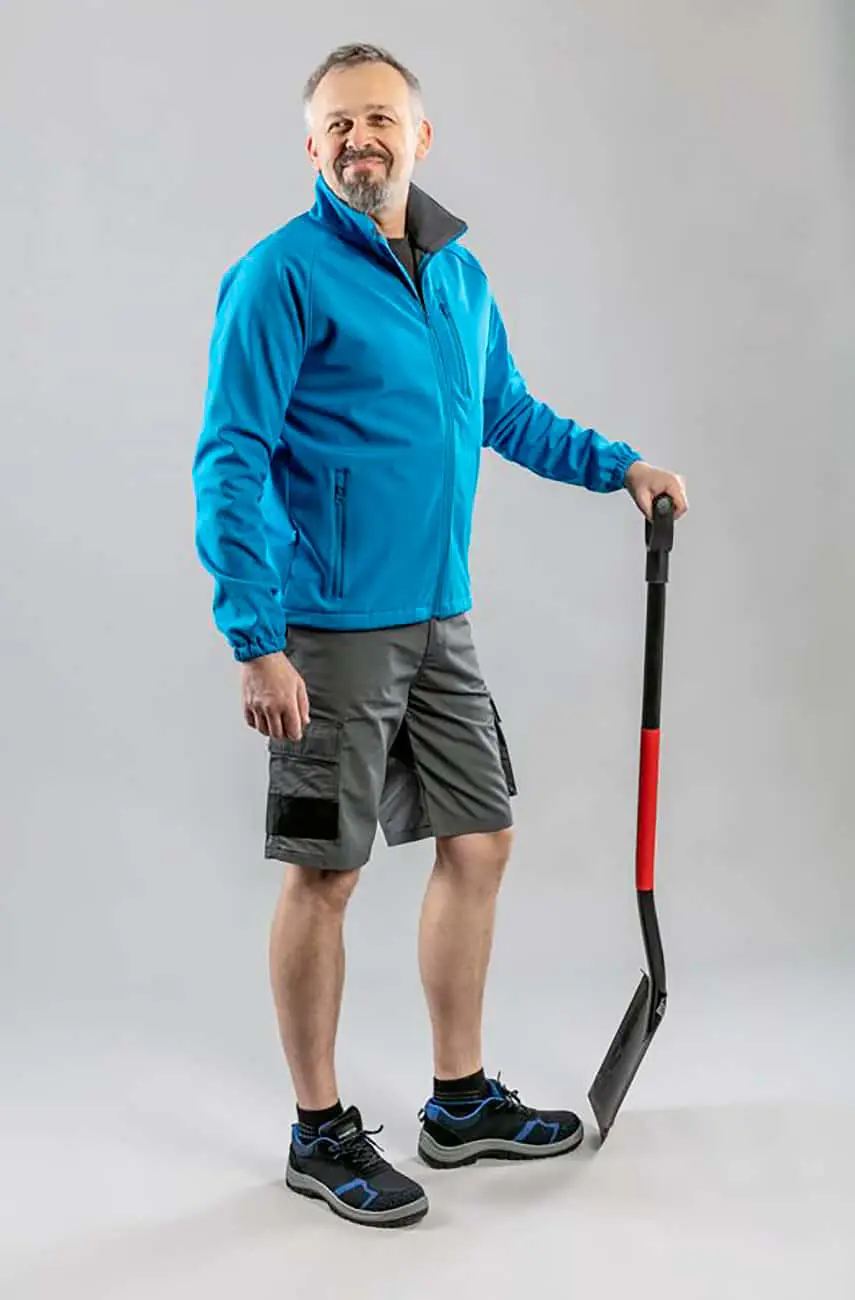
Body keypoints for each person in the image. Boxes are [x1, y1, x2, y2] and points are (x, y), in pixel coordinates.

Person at [191, 42, 688, 1229]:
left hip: (439, 617)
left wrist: (619, 466)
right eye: (336, 125)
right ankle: (319, 1129)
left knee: (481, 838)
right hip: (327, 630)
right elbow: (230, 458)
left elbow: (505, 411)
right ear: (312, 149)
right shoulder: (278, 276)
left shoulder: (458, 276)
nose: (358, 140)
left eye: (379, 118)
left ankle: (458, 1101)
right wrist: (255, 636)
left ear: (420, 136)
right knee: (328, 869)